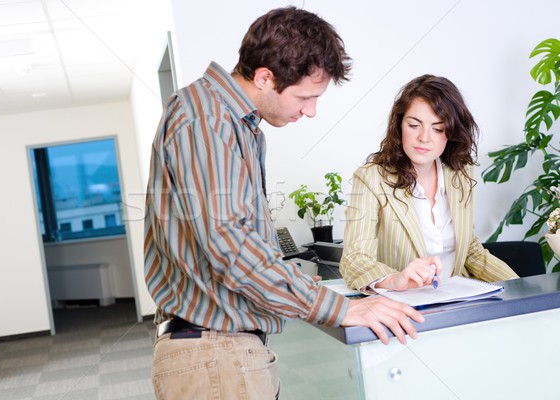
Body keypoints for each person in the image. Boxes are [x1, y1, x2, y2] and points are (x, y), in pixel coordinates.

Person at [144, 6, 424, 400]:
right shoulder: (207, 122)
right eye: (305, 97)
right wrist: (339, 308)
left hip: (222, 352)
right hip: (214, 354)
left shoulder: (227, 121)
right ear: (264, 77)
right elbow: (231, 245)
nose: (310, 111)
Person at [340, 74, 519, 294]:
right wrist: (394, 279)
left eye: (438, 128)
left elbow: (470, 251)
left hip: (458, 302)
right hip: (402, 306)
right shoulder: (371, 178)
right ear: (399, 125)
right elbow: (355, 259)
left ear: (451, 133)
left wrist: (521, 286)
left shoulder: (460, 175)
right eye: (414, 125)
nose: (424, 137)